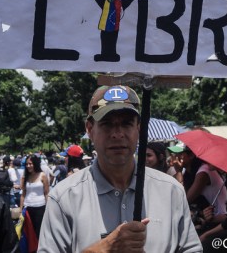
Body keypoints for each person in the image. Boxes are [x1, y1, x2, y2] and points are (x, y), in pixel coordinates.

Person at [38, 85, 201, 252]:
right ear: (90, 129)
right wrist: (106, 247)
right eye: (107, 124)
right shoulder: (63, 198)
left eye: (126, 123)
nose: (117, 133)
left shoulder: (171, 191)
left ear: (139, 128)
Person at [20, 154, 49, 248]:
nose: (28, 166)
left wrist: (48, 208)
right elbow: (23, 194)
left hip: (40, 207)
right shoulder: (25, 177)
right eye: (27, 164)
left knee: (38, 232)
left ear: (35, 164)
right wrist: (21, 210)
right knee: (27, 233)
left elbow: (46, 193)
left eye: (30, 164)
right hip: (27, 208)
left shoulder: (42, 175)